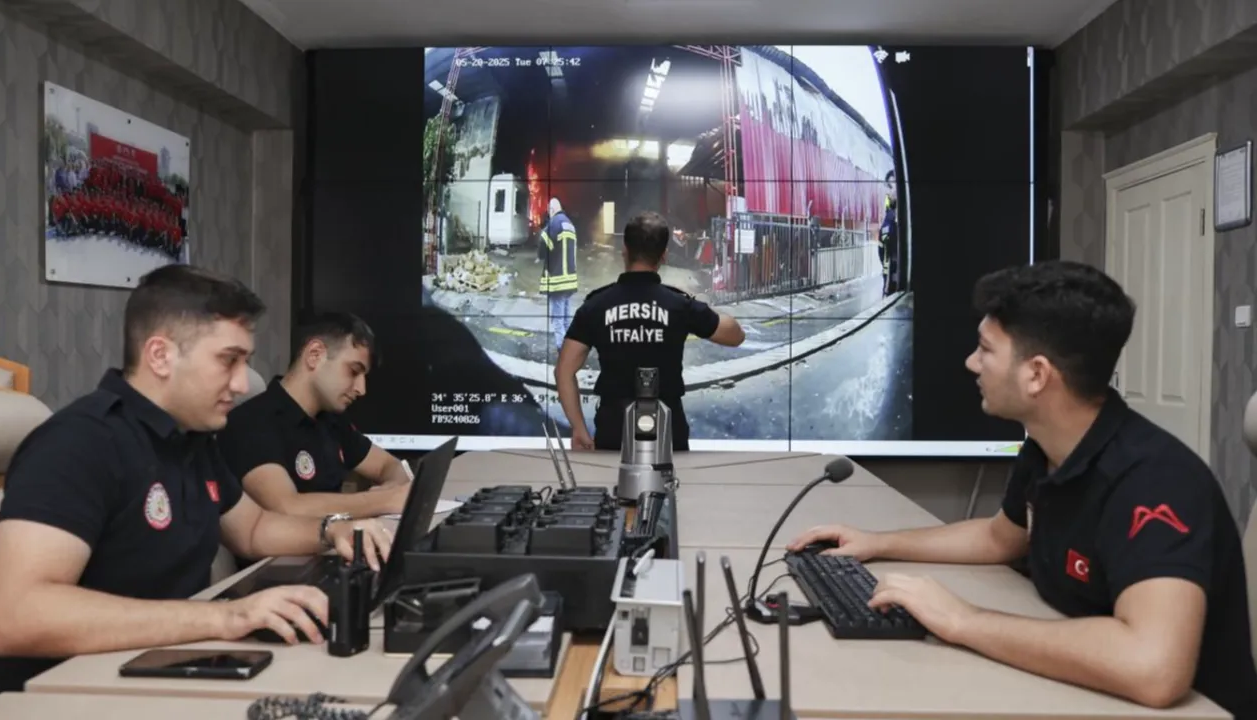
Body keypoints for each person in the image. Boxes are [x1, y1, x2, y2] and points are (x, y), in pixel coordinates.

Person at [787, 260, 1257, 718]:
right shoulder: (1047, 449)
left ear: (1036, 374)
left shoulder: (1154, 481)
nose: (971, 362)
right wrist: (877, 543)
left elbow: (1153, 668)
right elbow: (999, 538)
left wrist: (962, 620)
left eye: (985, 350)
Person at [0, 265, 393, 703]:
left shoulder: (191, 439)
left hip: (143, 672)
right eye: (228, 360)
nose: (241, 383)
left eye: (245, 362)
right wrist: (225, 618)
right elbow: (15, 619)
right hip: (49, 696)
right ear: (160, 356)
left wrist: (333, 530)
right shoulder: (79, 442)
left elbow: (253, 530)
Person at [556, 211, 745, 452]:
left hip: (614, 428)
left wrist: (579, 429)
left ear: (624, 250)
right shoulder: (679, 305)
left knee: (613, 477)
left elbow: (564, 370)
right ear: (664, 255)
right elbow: (736, 336)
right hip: (668, 427)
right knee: (670, 477)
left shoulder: (596, 305)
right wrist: (698, 309)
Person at [217, 312, 414, 523]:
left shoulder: (332, 420)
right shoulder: (251, 422)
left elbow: (389, 466)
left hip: (333, 539)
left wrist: (392, 488)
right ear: (315, 355)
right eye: (353, 371)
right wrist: (383, 500)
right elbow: (287, 507)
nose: (361, 389)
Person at [539, 197, 579, 352]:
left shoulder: (554, 223)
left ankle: (563, 351)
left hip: (558, 282)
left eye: (549, 211)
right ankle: (571, 347)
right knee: (566, 319)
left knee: (558, 320)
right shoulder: (570, 225)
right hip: (570, 281)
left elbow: (542, 244)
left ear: (552, 210)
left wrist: (541, 256)